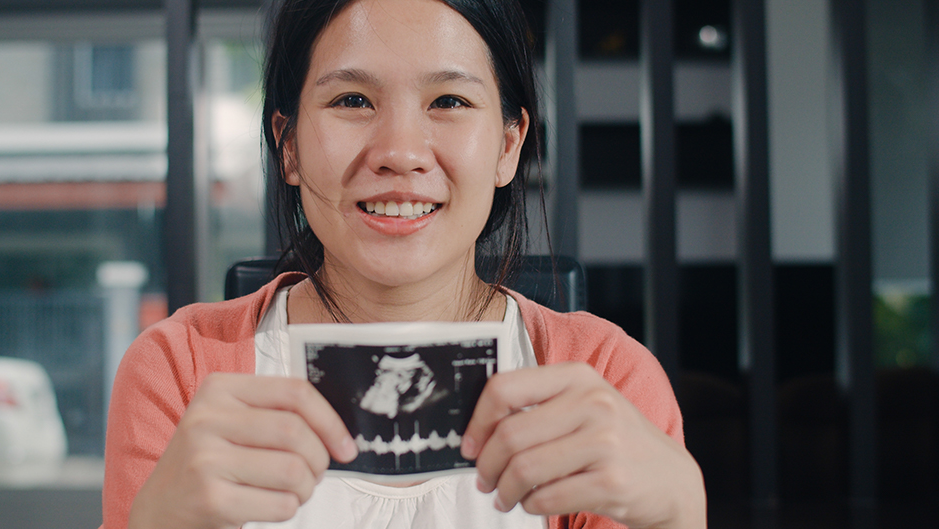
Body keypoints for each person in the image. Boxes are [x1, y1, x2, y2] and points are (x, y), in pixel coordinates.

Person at [102, 0, 706, 527]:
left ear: (507, 145)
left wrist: (680, 515)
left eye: (448, 99)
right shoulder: (178, 370)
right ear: (287, 146)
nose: (400, 153)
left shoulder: (609, 377)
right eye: (352, 99)